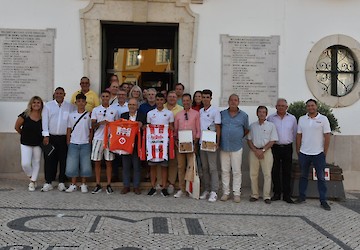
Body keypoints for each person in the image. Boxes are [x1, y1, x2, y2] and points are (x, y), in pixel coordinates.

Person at [295, 99, 331, 211]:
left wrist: (324, 151)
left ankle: (323, 200)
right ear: (306, 108)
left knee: (321, 177)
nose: (311, 107)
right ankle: (302, 197)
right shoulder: (302, 119)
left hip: (318, 153)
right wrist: (298, 150)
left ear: (316, 106)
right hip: (304, 153)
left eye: (312, 105)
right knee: (303, 176)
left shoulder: (323, 119)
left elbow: (327, 136)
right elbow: (298, 135)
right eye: (309, 106)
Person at [41, 87, 75, 192]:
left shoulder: (70, 106)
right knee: (49, 159)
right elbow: (45, 121)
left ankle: (61, 182)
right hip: (51, 137)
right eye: (57, 93)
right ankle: (48, 182)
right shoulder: (48, 106)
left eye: (61, 93)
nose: (59, 95)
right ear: (54, 94)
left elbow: (72, 120)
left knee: (63, 159)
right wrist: (46, 135)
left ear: (64, 94)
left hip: (64, 137)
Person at [220, 94, 249, 203]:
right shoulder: (222, 114)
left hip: (237, 147)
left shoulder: (244, 116)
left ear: (238, 102)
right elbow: (219, 127)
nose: (233, 102)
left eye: (235, 100)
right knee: (225, 170)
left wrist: (237, 136)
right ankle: (225, 193)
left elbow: (246, 129)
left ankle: (236, 193)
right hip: (224, 146)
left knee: (236, 171)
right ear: (228, 101)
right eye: (231, 100)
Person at [267, 98, 297, 203]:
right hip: (275, 147)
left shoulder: (292, 118)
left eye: (283, 106)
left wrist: (289, 141)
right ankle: (276, 193)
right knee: (275, 171)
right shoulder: (270, 118)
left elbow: (294, 132)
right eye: (279, 106)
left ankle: (287, 195)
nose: (281, 107)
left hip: (288, 147)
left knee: (287, 171)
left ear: (286, 107)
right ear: (276, 107)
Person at [247, 106, 278, 204]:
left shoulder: (271, 125)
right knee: (253, 174)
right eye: (259, 112)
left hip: (266, 152)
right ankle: (254, 194)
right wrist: (256, 150)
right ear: (257, 113)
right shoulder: (252, 126)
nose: (261, 114)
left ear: (266, 114)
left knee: (267, 174)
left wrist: (263, 150)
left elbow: (272, 140)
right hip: (254, 152)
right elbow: (249, 140)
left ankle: (266, 196)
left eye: (263, 112)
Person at [146, 93, 174, 197]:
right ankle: (153, 186)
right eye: (157, 99)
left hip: (164, 143)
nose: (159, 102)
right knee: (152, 166)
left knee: (164, 166)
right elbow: (148, 127)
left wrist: (171, 129)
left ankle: (163, 187)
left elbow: (171, 127)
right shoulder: (150, 113)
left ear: (164, 101)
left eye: (161, 99)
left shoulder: (169, 113)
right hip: (153, 143)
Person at [173, 93, 200, 198]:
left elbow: (198, 129)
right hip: (180, 143)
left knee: (191, 166)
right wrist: (175, 139)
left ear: (191, 101)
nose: (186, 102)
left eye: (188, 100)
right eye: (184, 101)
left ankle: (190, 188)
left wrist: (196, 142)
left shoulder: (196, 114)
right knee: (180, 166)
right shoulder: (178, 114)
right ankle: (182, 188)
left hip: (191, 143)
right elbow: (175, 129)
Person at [64, 93, 93, 193]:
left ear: (85, 103)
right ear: (76, 102)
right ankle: (73, 184)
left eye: (83, 101)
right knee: (72, 164)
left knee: (85, 164)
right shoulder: (71, 115)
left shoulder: (88, 115)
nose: (81, 103)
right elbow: (68, 129)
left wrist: (90, 140)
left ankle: (83, 184)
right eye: (79, 101)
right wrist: (68, 141)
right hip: (74, 142)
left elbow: (90, 129)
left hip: (85, 142)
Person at [91, 90, 118, 194]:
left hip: (109, 139)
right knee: (97, 162)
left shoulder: (114, 110)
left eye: (107, 96)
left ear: (110, 97)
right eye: (103, 96)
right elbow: (92, 125)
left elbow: (116, 125)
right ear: (101, 97)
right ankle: (97, 184)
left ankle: (108, 184)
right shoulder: (96, 110)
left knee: (109, 162)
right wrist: (100, 123)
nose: (105, 98)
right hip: (98, 138)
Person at [15, 96, 44, 191]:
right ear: (31, 104)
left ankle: (32, 182)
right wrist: (24, 135)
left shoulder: (43, 115)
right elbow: (17, 127)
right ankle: (31, 177)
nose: (36, 104)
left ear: (41, 104)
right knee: (25, 164)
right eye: (34, 102)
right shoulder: (25, 115)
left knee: (36, 162)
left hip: (38, 143)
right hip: (26, 143)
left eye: (38, 102)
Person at [120, 98, 146, 195]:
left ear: (137, 106)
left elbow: (145, 129)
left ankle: (136, 186)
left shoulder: (142, 116)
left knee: (136, 166)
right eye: (130, 104)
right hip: (125, 144)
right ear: (128, 106)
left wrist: (142, 125)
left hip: (137, 144)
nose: (132, 106)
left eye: (134, 105)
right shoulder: (123, 116)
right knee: (125, 166)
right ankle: (126, 186)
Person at [199, 89, 221, 202]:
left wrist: (218, 142)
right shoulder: (200, 111)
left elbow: (218, 127)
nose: (205, 99)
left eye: (207, 97)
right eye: (204, 97)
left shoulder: (215, 111)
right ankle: (206, 189)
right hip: (202, 142)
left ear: (211, 98)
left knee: (213, 168)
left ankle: (214, 191)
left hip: (211, 142)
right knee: (205, 167)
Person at [164, 90, 184, 194]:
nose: (172, 98)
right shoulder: (161, 107)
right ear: (166, 97)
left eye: (174, 97)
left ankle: (171, 183)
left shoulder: (181, 110)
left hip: (175, 139)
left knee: (173, 162)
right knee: (161, 161)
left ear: (177, 99)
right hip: (161, 139)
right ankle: (161, 182)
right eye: (170, 96)